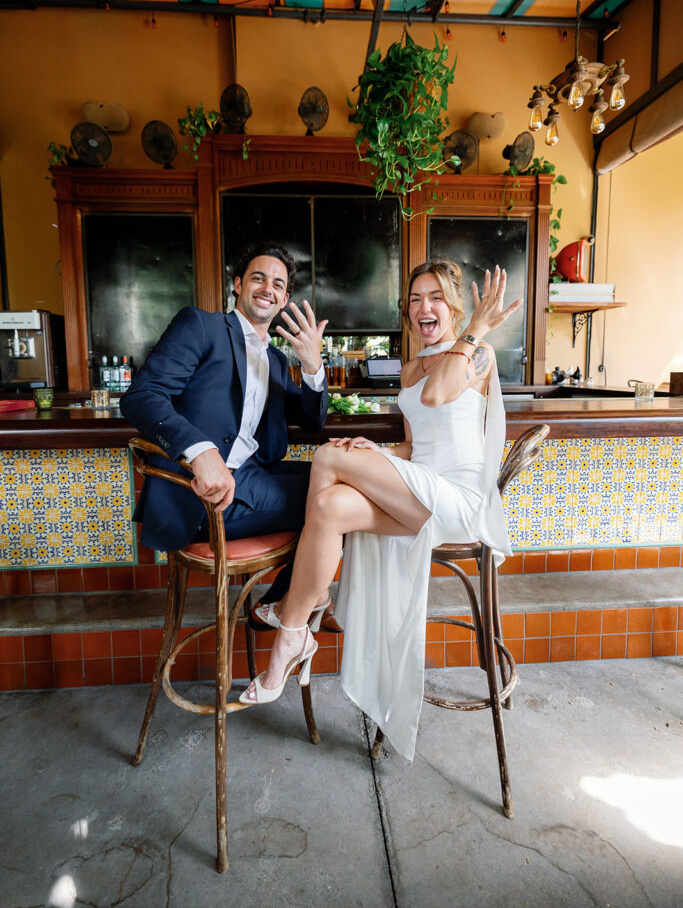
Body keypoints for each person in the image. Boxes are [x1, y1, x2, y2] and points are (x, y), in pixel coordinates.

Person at [239, 260, 522, 762]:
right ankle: (301, 623)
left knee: (326, 458)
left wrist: (477, 328)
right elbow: (415, 446)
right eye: (414, 300)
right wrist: (377, 452)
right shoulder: (410, 368)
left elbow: (437, 394)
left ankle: (301, 613)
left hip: (458, 502)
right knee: (329, 504)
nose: (423, 308)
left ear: (455, 307)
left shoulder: (476, 353)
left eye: (435, 298)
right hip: (419, 491)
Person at [120, 241, 329, 610]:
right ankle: (293, 606)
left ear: (284, 299)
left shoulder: (276, 360)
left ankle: (285, 605)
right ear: (238, 284)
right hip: (202, 496)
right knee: (338, 502)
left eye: (278, 284)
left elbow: (312, 420)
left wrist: (313, 365)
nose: (267, 288)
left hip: (253, 477)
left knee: (341, 485)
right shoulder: (202, 326)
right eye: (258, 278)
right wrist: (201, 451)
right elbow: (142, 395)